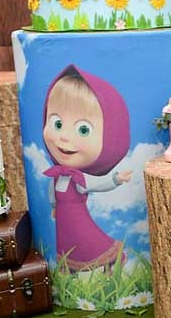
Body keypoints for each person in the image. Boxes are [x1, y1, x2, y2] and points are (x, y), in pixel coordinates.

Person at [42, 65, 132, 271]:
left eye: (83, 130)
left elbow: (97, 184)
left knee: (87, 240)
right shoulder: (57, 175)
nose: (64, 137)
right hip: (63, 219)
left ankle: (112, 259)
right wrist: (54, 206)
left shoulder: (79, 178)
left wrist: (116, 179)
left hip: (78, 218)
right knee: (67, 244)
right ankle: (69, 271)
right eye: (57, 124)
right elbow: (52, 193)